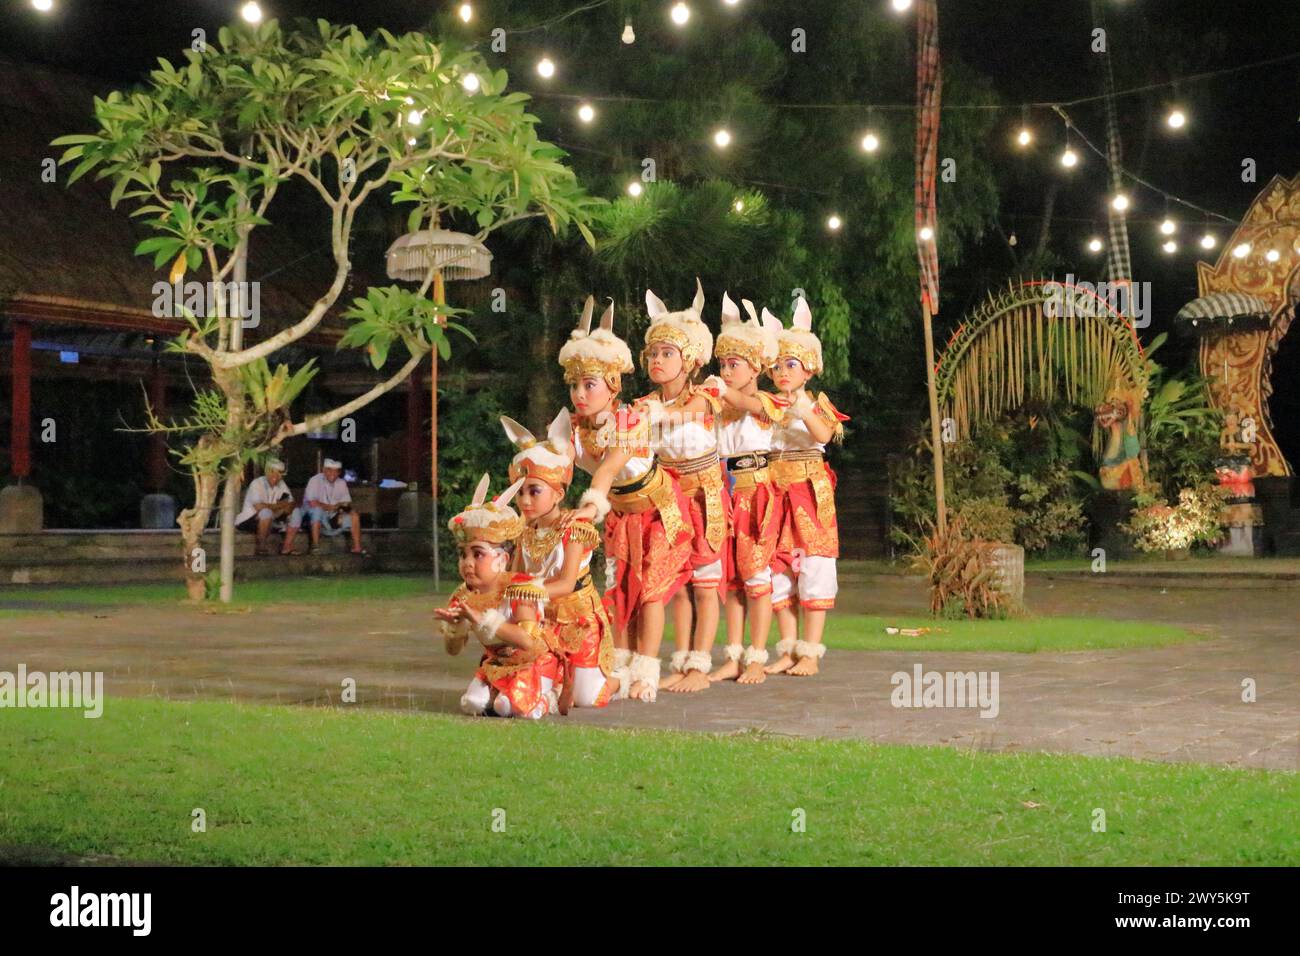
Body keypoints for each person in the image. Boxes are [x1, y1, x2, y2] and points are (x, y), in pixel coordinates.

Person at [562, 295, 694, 703]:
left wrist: (588, 507)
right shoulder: (574, 427)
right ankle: (619, 665)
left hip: (660, 512)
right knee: (620, 590)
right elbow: (560, 468)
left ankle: (646, 672)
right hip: (622, 515)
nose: (580, 394)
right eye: (575, 385)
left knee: (652, 592)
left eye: (590, 384)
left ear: (613, 385)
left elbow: (606, 469)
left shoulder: (630, 419)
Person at [639, 278, 729, 694]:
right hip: (667, 495)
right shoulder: (647, 404)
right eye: (653, 353)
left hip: (706, 494)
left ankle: (700, 667)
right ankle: (681, 662)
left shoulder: (706, 394)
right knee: (676, 585)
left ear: (690, 359)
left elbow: (687, 416)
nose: (658, 360)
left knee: (705, 584)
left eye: (667, 353)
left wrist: (653, 416)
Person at [501, 408, 623, 710]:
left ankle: (619, 678)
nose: (525, 501)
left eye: (534, 491)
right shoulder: (524, 531)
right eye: (520, 493)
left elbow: (567, 583)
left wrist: (527, 591)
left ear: (557, 493)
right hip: (539, 619)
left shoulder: (574, 529)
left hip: (577, 620)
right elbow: (512, 578)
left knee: (587, 699)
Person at [764, 297, 850, 677]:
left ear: (809, 370)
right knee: (776, 570)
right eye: (778, 364)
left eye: (792, 365)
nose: (783, 371)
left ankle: (811, 653)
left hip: (809, 492)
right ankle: (788, 649)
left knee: (814, 565)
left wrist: (800, 408)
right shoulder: (765, 405)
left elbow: (824, 435)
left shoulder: (818, 405)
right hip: (774, 492)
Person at [709, 294, 788, 685]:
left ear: (755, 366)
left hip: (757, 497)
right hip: (725, 494)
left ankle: (757, 656)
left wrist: (719, 392)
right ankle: (734, 655)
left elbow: (744, 403)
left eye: (733, 364)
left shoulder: (764, 401)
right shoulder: (720, 408)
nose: (725, 371)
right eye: (722, 364)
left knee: (757, 578)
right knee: (733, 582)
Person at [436, 474, 559, 720]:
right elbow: (453, 651)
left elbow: (529, 644)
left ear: (502, 559)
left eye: (478, 554)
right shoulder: (463, 594)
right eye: (463, 555)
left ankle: (549, 696)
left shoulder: (519, 589)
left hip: (532, 663)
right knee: (472, 704)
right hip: (495, 666)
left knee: (506, 707)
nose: (468, 563)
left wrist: (483, 620)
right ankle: (500, 693)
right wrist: (455, 626)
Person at [234, 458, 302, 556]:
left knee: (296, 512)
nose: (275, 476)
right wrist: (280, 506)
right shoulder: (257, 483)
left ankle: (287, 547)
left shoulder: (281, 484)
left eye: (279, 473)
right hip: (249, 521)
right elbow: (259, 507)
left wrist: (282, 508)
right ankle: (261, 547)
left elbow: (291, 503)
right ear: (267, 471)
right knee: (266, 512)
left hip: (271, 519)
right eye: (272, 472)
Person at [303, 458, 366, 555]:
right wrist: (330, 507)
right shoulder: (314, 480)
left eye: (336, 471)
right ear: (324, 470)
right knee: (317, 511)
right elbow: (312, 502)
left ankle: (357, 547)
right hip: (319, 516)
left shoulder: (341, 483)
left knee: (354, 515)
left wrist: (341, 511)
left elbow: (346, 503)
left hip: (334, 516)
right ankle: (315, 546)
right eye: (329, 470)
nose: (333, 473)